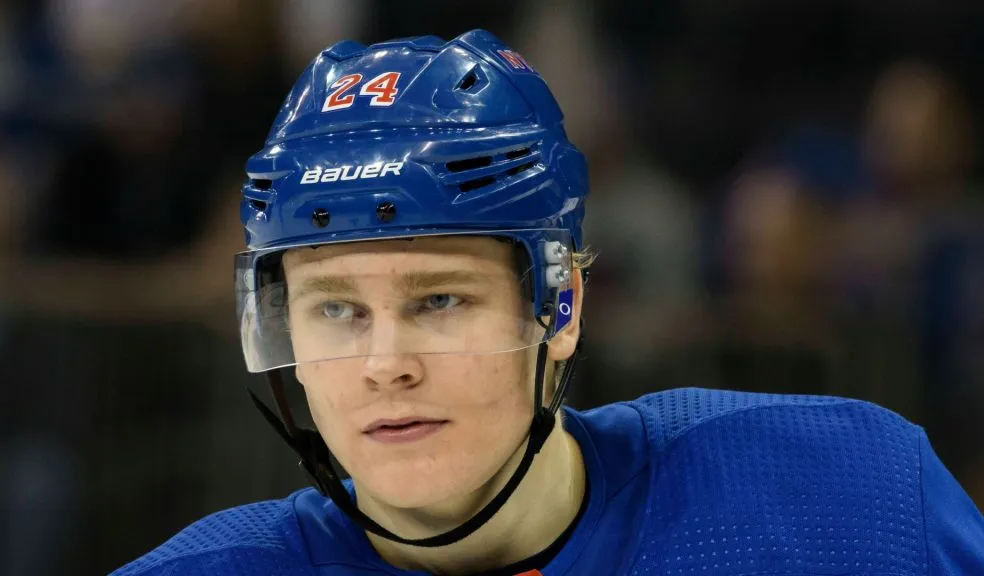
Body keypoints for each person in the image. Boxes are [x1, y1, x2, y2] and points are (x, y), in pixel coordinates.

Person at [112, 30, 984, 575]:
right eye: (335, 310)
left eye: (440, 299)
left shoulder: (847, 493)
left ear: (560, 307)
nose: (385, 366)